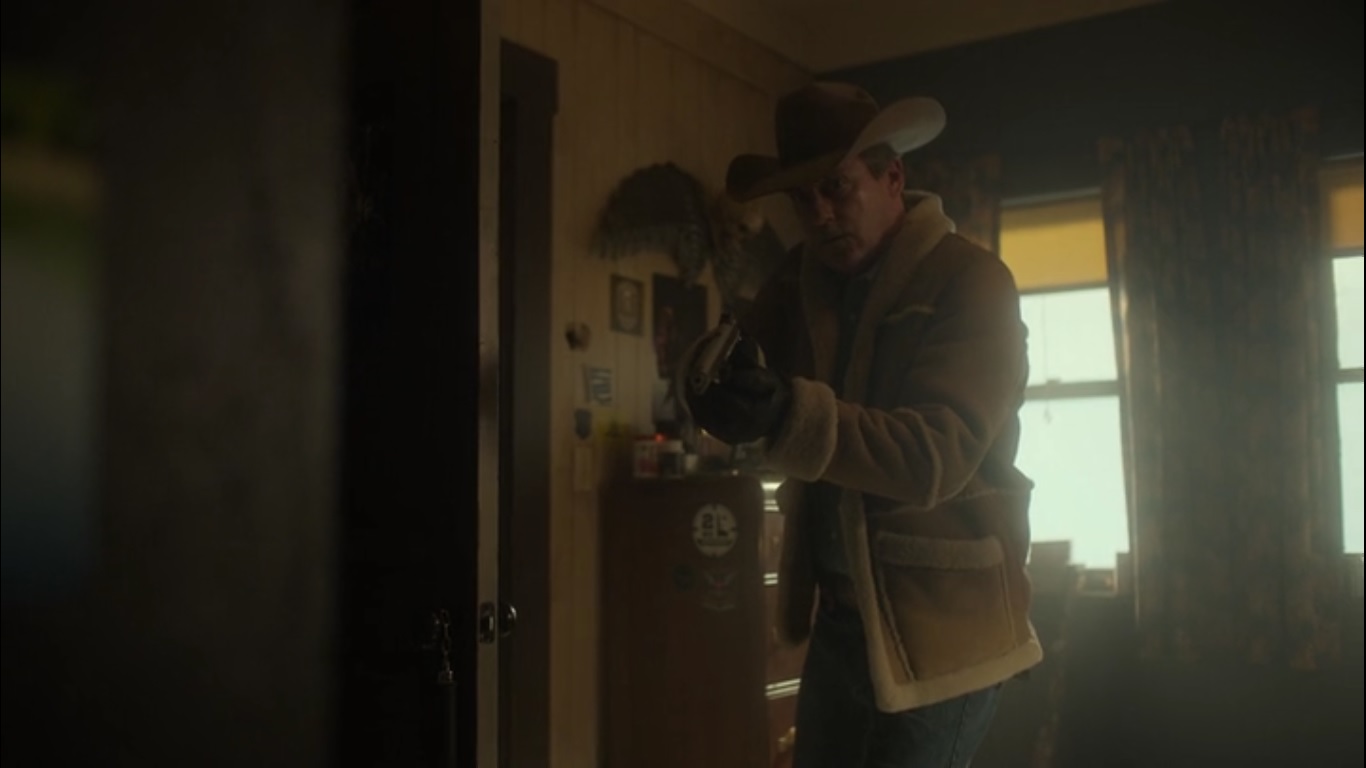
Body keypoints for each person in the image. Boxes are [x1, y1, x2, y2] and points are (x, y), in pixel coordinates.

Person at [680, 82, 1042, 768]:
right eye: (801, 198)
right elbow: (733, 357)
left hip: (945, 627)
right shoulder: (803, 280)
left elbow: (933, 456)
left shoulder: (974, 283)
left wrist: (786, 413)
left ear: (892, 177)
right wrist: (711, 389)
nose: (819, 213)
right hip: (843, 621)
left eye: (837, 187)